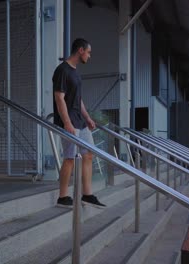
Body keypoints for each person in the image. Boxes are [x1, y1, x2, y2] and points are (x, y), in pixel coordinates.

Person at [53, 38, 106, 209]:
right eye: (89, 52)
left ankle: (87, 195)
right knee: (69, 159)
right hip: (69, 122)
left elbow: (78, 99)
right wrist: (67, 123)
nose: (89, 56)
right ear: (81, 50)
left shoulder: (75, 72)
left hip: (80, 121)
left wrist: (88, 117)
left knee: (88, 154)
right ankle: (62, 197)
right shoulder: (62, 70)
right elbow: (59, 98)